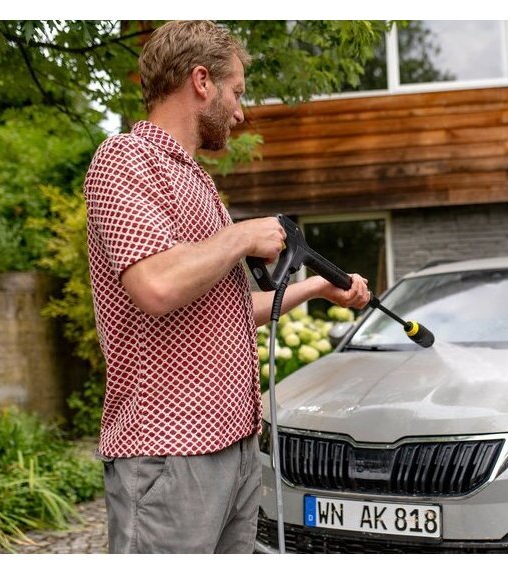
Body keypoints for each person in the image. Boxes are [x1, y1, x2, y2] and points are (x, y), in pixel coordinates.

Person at [83, 20, 370, 554]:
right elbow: (156, 285)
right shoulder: (124, 159)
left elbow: (228, 310)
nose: (240, 111)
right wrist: (240, 237)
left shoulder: (196, 179)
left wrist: (314, 290)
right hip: (170, 450)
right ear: (201, 81)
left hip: (234, 445)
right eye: (236, 92)